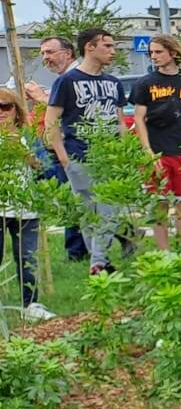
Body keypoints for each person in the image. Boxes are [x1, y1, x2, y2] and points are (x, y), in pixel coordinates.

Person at [44, 28, 132, 274]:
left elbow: (120, 122)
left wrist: (124, 154)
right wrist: (63, 158)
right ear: (89, 48)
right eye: (108, 46)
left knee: (109, 212)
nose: (113, 51)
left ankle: (98, 263)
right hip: (78, 155)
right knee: (88, 215)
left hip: (109, 157)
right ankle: (100, 263)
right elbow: (51, 121)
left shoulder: (113, 83)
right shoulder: (67, 81)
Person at [130, 35, 181, 251]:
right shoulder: (146, 83)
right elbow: (138, 118)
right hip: (157, 150)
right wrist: (148, 151)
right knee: (159, 202)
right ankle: (164, 252)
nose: (154, 56)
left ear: (173, 52)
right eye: (151, 52)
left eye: (158, 52)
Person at [27, 36, 88, 262]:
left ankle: (78, 252)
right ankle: (124, 235)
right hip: (60, 149)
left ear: (68, 53)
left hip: (73, 149)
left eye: (50, 52)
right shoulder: (65, 79)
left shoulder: (73, 78)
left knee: (74, 199)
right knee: (77, 199)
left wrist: (42, 98)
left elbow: (70, 112)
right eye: (43, 53)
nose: (46, 58)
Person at [0, 88, 55, 322]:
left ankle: (31, 304)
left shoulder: (28, 136)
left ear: (16, 110)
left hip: (26, 206)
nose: (2, 113)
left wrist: (24, 152)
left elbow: (46, 168)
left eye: (6, 107)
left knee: (28, 257)